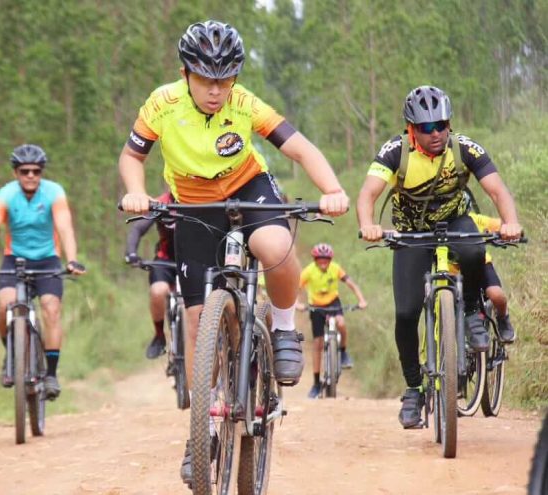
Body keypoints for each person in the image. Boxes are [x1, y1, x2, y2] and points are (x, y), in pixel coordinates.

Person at [117, 20, 349, 484]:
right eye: (206, 79)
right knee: (200, 327)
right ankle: (199, 435)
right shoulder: (161, 104)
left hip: (248, 187)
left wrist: (333, 189)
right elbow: (132, 156)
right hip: (194, 202)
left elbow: (300, 148)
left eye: (225, 79)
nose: (216, 90)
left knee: (276, 245)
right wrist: (136, 192)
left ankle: (283, 330)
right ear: (186, 74)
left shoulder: (246, 105)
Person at [357, 86, 522, 429]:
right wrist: (368, 224)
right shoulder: (394, 151)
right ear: (411, 128)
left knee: (474, 249)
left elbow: (496, 189)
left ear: (449, 123)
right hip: (411, 231)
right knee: (405, 313)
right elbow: (368, 194)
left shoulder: (464, 148)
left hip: (455, 221)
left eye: (441, 125)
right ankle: (414, 388)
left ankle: (473, 311)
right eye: (426, 127)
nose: (435, 133)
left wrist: (511, 222)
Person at [0, 144, 86, 400]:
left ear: (41, 172)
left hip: (48, 260)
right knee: (5, 306)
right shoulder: (5, 195)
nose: (30, 176)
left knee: (51, 309)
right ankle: (11, 356)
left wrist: (72, 260)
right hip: (13, 260)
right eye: (24, 171)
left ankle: (51, 374)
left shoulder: (54, 193)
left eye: (36, 171)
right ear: (15, 173)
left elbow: (65, 228)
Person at [296, 243, 367, 398]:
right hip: (316, 307)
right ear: (315, 259)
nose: (323, 262)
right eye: (320, 259)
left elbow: (351, 284)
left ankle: (343, 352)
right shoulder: (308, 271)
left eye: (326, 259)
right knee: (318, 344)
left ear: (330, 259)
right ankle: (316, 383)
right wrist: (298, 303)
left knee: (341, 323)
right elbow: (296, 288)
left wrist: (361, 300)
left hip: (333, 303)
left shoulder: (335, 268)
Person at [124, 190, 177, 359]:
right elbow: (138, 229)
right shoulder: (161, 202)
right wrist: (131, 253)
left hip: (195, 261)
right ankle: (159, 336)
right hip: (165, 260)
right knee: (157, 291)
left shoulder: (202, 198)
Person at [467, 211, 515, 343]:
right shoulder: (432, 223)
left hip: (481, 265)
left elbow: (499, 225)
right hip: (450, 272)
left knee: (496, 294)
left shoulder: (476, 219)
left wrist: (509, 229)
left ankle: (502, 318)